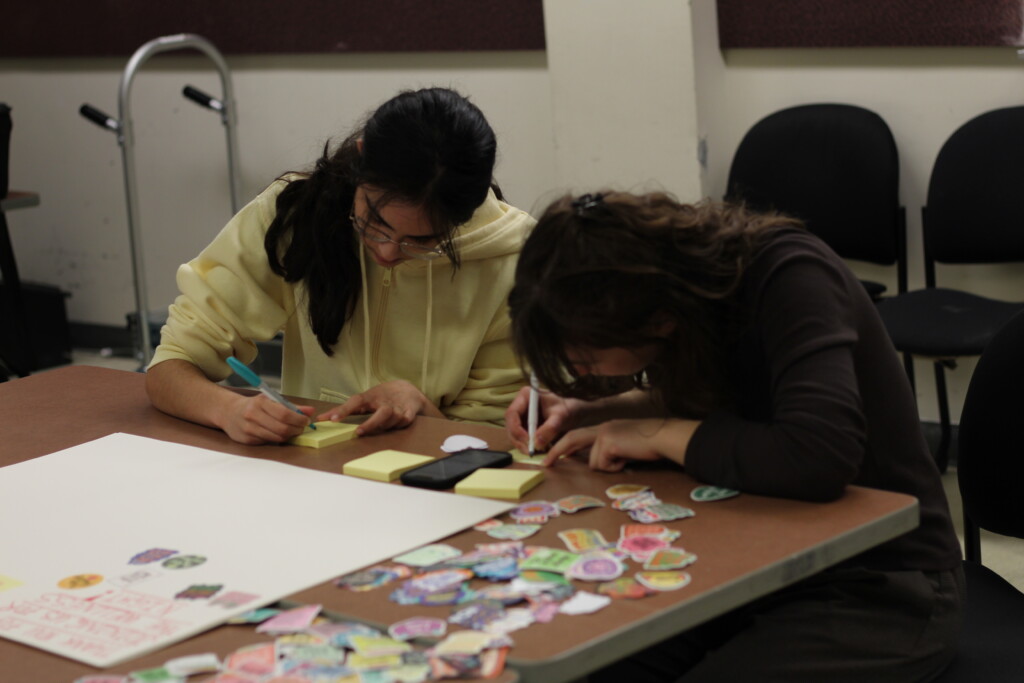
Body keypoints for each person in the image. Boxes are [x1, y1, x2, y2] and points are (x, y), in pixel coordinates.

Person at [505, 192, 963, 682]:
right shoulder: (688, 302)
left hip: (886, 583)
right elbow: (727, 404)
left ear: (657, 318)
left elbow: (818, 453)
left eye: (585, 359)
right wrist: (588, 408)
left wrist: (657, 434)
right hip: (757, 563)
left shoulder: (791, 273)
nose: (576, 370)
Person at [146, 87, 534, 445]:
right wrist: (230, 409)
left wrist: (420, 409)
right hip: (310, 467)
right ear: (361, 161)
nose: (386, 253)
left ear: (463, 215)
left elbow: (489, 440)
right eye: (373, 222)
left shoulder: (512, 259)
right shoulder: (293, 216)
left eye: (422, 242)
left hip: (431, 485)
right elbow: (170, 367)